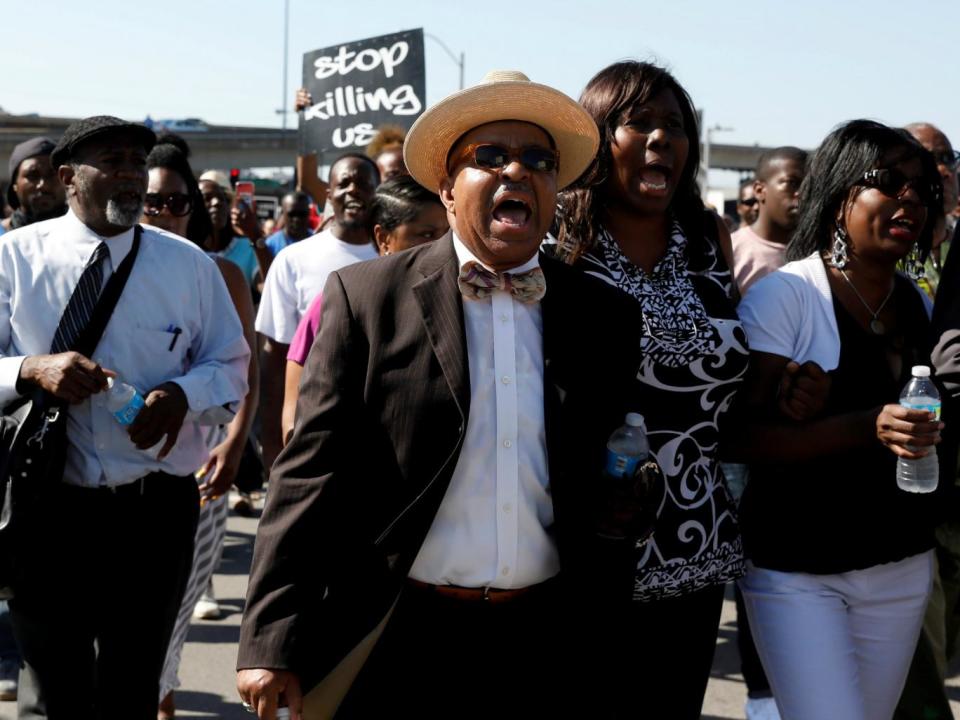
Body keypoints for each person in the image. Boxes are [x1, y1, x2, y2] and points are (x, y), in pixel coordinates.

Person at [237, 69, 648, 720]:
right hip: (400, 632)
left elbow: (615, 461)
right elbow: (308, 476)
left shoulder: (606, 317)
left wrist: (628, 496)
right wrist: (269, 638)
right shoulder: (366, 298)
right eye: (491, 156)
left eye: (538, 160)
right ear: (448, 189)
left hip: (547, 639)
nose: (518, 171)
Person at [0, 116, 249, 719]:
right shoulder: (14, 258)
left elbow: (231, 366)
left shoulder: (187, 265)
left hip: (153, 514)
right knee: (54, 690)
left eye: (137, 164)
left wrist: (182, 395)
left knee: (132, 688)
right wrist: (31, 369)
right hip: (47, 505)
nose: (131, 176)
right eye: (112, 162)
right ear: (68, 178)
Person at [552, 60, 746, 719]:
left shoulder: (709, 245)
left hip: (696, 543)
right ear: (595, 137)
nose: (662, 139)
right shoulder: (556, 251)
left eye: (675, 126)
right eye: (638, 123)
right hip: (584, 550)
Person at [732, 119, 943, 720]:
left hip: (900, 566)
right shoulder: (786, 298)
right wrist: (863, 426)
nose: (910, 199)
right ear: (839, 191)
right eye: (889, 182)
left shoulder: (917, 302)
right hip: (798, 572)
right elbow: (739, 437)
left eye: (922, 190)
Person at [140, 136, 260, 720]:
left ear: (194, 205)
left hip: (200, 469)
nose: (164, 212)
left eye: (177, 201)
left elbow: (246, 371)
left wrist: (234, 445)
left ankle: (162, 701)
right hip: (109, 475)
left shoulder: (219, 273)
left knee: (176, 607)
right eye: (151, 201)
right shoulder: (102, 271)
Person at [280, 175, 449, 444]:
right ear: (383, 239)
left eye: (448, 234)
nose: (442, 247)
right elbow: (295, 416)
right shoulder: (340, 301)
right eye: (426, 235)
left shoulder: (469, 300)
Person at [255, 153, 380, 471]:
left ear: (378, 192)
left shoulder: (398, 257)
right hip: (312, 435)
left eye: (364, 183)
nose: (354, 191)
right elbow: (273, 357)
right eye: (344, 183)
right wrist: (272, 441)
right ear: (328, 195)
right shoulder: (293, 259)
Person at [899, 123, 960, 720]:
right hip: (918, 484)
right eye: (921, 161)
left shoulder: (957, 249)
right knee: (918, 666)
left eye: (946, 157)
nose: (938, 169)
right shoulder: (888, 257)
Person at [731, 147, 808, 295]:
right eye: (792, 183)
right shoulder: (731, 251)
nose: (802, 193)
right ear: (760, 190)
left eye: (809, 185)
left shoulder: (820, 254)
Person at [197, 171, 272, 291]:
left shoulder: (247, 247)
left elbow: (270, 289)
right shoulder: (185, 249)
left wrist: (256, 235)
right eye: (206, 198)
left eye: (224, 198)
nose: (217, 203)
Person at [2, 137, 67, 232]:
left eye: (52, 174)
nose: (43, 185)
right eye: (32, 175)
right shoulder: (3, 238)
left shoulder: (88, 235)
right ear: (15, 184)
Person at [264, 191, 313, 256]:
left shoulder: (318, 243)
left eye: (302, 214)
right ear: (283, 213)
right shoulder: (271, 244)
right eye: (292, 214)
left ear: (309, 213)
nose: (297, 219)